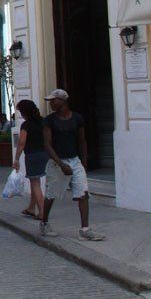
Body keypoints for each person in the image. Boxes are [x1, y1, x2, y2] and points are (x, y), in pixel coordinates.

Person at [40, 89, 105, 241]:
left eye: (53, 100)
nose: (51, 104)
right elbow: (48, 145)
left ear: (62, 101)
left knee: (83, 193)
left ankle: (85, 228)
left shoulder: (77, 119)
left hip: (74, 160)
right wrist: (61, 164)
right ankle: (44, 222)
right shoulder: (49, 120)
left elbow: (82, 141)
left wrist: (83, 163)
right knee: (51, 194)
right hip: (57, 162)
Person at [12, 99, 47, 221]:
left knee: (35, 183)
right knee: (34, 180)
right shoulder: (43, 121)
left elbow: (21, 143)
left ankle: (43, 212)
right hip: (44, 153)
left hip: (32, 155)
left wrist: (16, 159)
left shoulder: (26, 125)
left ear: (24, 112)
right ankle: (32, 207)